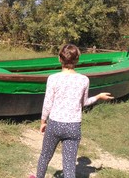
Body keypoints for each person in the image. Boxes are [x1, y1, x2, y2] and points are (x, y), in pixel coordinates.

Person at [33, 44, 114, 178]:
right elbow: (84, 103)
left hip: (54, 124)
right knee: (69, 165)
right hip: (73, 126)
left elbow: (47, 103)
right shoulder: (84, 80)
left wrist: (43, 121)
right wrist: (99, 96)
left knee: (45, 156)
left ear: (60, 59)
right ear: (77, 60)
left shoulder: (53, 78)